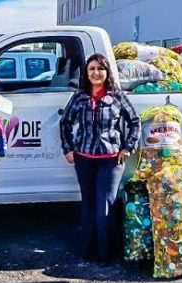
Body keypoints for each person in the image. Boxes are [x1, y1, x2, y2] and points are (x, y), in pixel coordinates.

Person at [59, 53, 141, 263]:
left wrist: (127, 147)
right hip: (83, 157)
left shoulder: (117, 96)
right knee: (88, 203)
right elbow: (65, 123)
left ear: (107, 72)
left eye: (100, 68)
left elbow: (134, 122)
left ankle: (105, 253)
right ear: (86, 73)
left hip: (111, 158)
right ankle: (87, 250)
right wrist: (68, 148)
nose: (96, 73)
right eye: (92, 69)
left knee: (105, 203)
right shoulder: (79, 97)